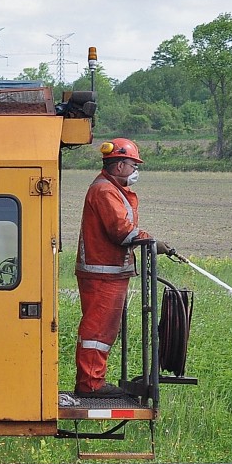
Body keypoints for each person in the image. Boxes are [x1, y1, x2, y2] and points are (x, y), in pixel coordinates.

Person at [73, 137, 177, 396]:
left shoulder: (112, 190)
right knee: (97, 331)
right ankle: (90, 384)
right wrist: (152, 241)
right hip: (103, 273)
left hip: (109, 272)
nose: (135, 170)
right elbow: (121, 232)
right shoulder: (105, 191)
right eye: (133, 164)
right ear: (119, 166)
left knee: (104, 329)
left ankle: (94, 380)